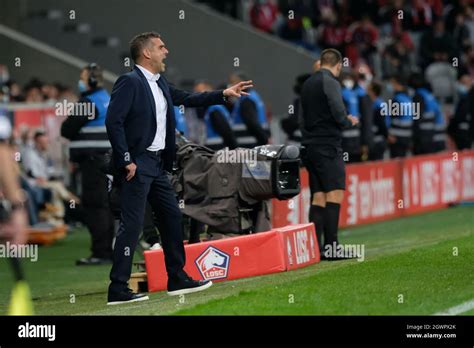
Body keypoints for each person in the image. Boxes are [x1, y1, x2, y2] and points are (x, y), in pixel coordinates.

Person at [105, 31, 253, 304]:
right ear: (146, 53)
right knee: (132, 225)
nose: (167, 51)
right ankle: (118, 288)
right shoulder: (129, 82)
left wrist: (224, 94)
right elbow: (113, 122)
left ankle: (177, 277)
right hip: (137, 165)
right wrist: (126, 159)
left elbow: (186, 98)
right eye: (161, 47)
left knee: (173, 218)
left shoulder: (159, 82)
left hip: (157, 164)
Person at [300, 48, 358, 260]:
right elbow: (337, 108)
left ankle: (315, 249)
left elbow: (301, 117)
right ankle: (332, 247)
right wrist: (346, 120)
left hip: (310, 146)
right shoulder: (330, 82)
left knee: (319, 196)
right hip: (327, 146)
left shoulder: (306, 84)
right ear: (338, 65)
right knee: (335, 193)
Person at [61, 63, 115, 265]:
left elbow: (66, 129)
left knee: (94, 205)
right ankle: (108, 249)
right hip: (106, 160)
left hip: (92, 161)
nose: (80, 82)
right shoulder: (106, 99)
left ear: (91, 81)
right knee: (105, 205)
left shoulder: (88, 102)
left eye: (83, 78)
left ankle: (100, 252)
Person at [228, 72, 270, 148]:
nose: (231, 85)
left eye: (233, 82)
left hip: (249, 144)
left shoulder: (246, 101)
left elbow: (251, 122)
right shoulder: (253, 96)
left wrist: (265, 139)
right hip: (255, 143)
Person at [386, 75, 413, 158]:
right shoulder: (408, 99)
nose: (391, 85)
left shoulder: (396, 100)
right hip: (407, 135)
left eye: (392, 83)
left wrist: (388, 134)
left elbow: (391, 118)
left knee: (395, 162)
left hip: (396, 137)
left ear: (398, 84)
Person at [366, 81, 388, 160]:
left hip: (378, 140)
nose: (366, 91)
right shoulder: (379, 102)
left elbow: (382, 123)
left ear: (373, 92)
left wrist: (386, 135)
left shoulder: (377, 105)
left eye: (368, 90)